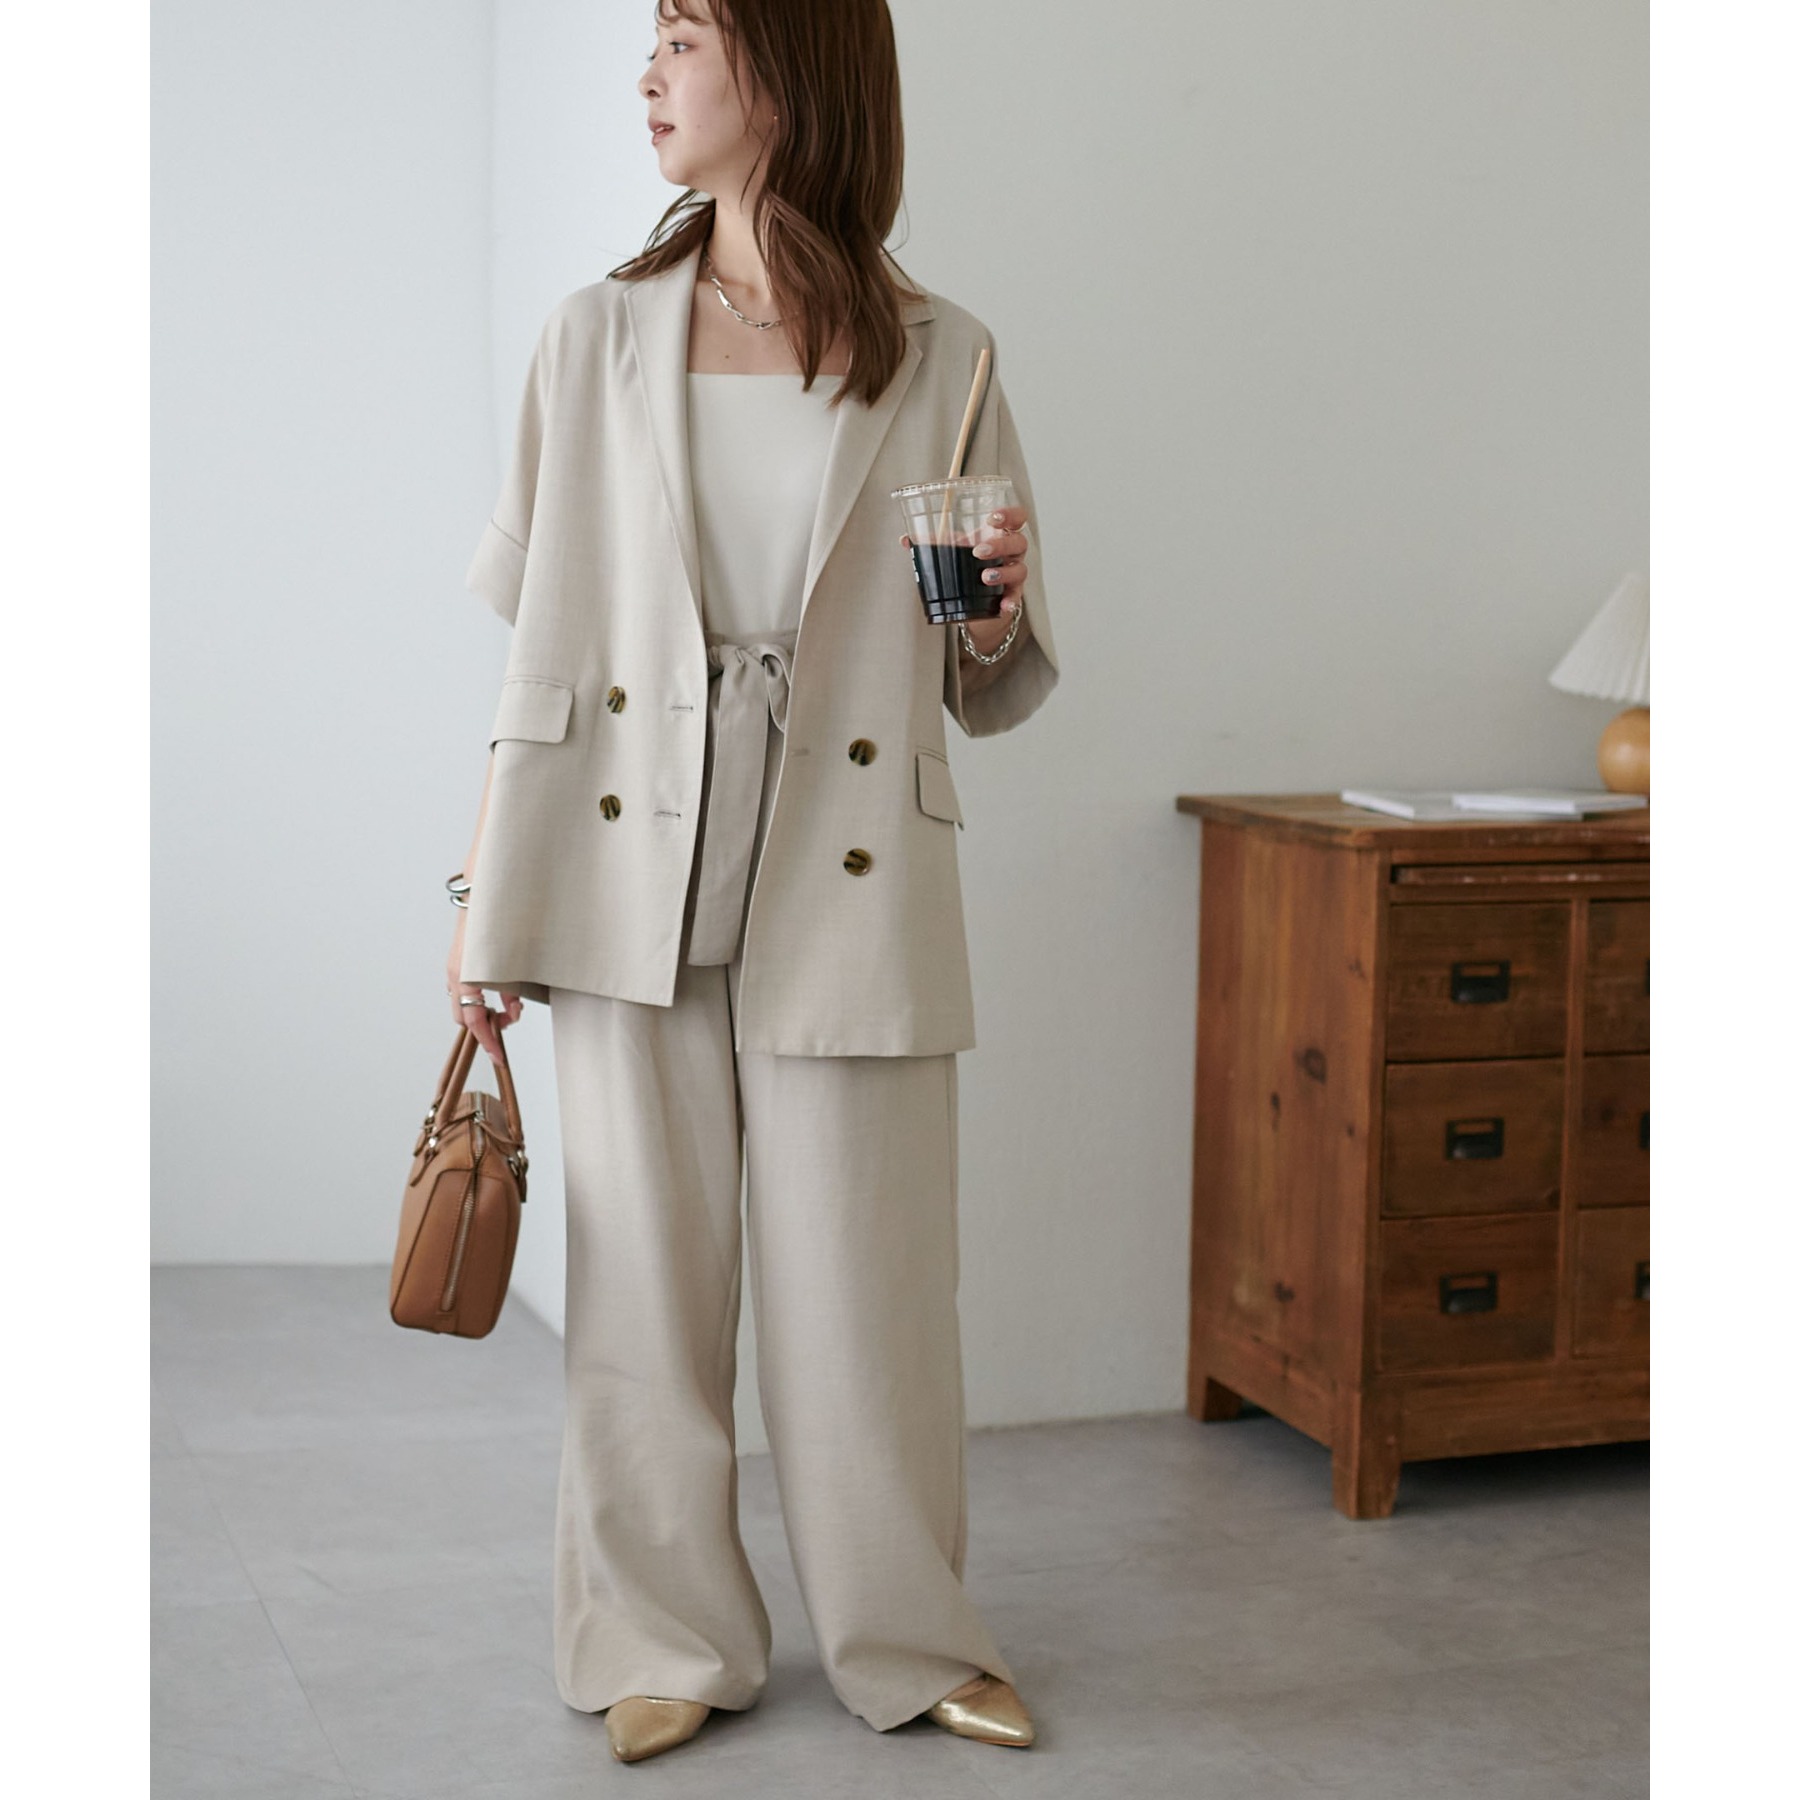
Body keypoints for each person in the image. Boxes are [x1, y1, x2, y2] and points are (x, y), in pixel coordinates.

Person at [444, 0, 1060, 1765]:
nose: (649, 74)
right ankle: (661, 1634)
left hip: (849, 859)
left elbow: (979, 673)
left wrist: (993, 611)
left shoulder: (942, 351)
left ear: (789, 69)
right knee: (644, 1277)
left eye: (685, 38)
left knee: (871, 1291)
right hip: (622, 840)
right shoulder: (595, 336)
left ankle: (909, 1637)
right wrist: (484, 895)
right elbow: (541, 654)